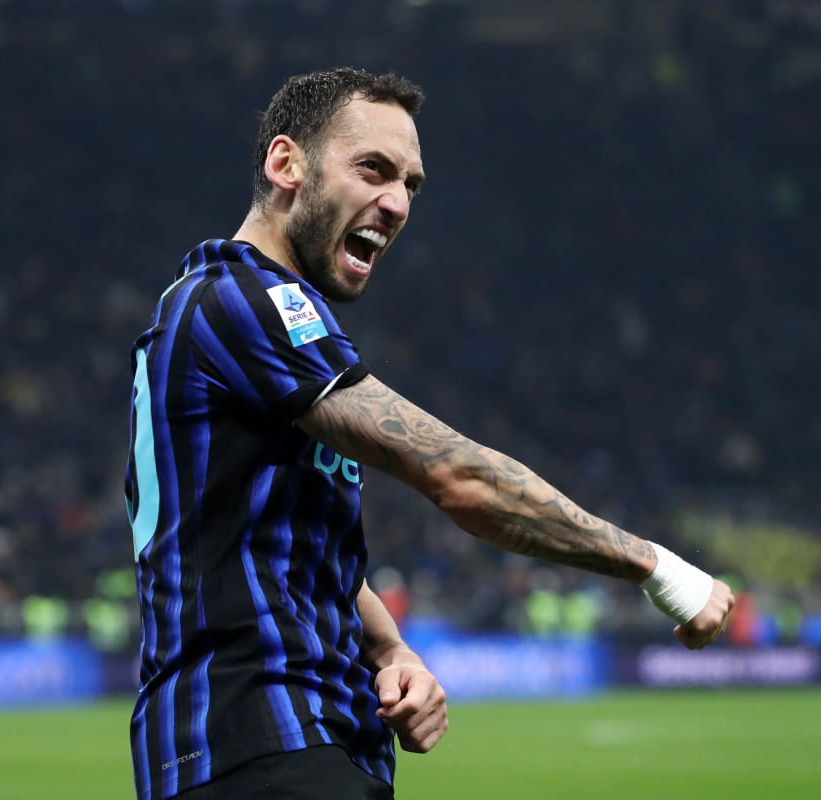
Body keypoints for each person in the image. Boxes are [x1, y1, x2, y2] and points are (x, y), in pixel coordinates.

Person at [125, 67, 734, 800]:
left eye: (412, 184)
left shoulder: (243, 322)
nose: (397, 202)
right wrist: (656, 568)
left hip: (289, 744)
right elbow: (458, 477)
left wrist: (389, 649)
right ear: (285, 164)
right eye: (373, 170)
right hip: (262, 743)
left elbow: (274, 543)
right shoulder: (239, 300)